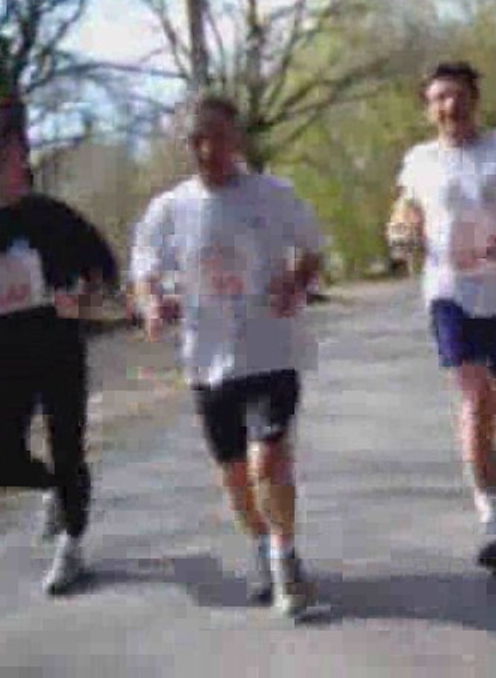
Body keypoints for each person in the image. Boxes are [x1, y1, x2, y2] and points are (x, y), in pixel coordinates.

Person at [130, 94, 325, 616]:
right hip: (207, 358)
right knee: (235, 478)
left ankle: (286, 562)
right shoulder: (170, 209)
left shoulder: (272, 195)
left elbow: (313, 247)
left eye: (219, 136)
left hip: (271, 350)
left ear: (236, 139)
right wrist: (152, 305)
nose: (209, 149)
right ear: (188, 145)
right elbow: (144, 270)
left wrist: (297, 282)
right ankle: (263, 544)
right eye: (198, 139)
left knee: (269, 460)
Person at [387, 62, 496, 576]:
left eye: (458, 96)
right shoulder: (420, 160)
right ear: (429, 108)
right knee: (474, 399)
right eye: (438, 98)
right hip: (449, 291)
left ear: (474, 100)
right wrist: (401, 231)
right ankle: (493, 523)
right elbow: (406, 210)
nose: (449, 106)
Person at [0, 99, 119, 595]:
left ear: (20, 156)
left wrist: (85, 299)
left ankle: (71, 544)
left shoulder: (53, 218)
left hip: (57, 354)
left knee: (68, 447)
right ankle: (54, 490)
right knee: (2, 459)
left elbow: (105, 272)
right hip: (1, 362)